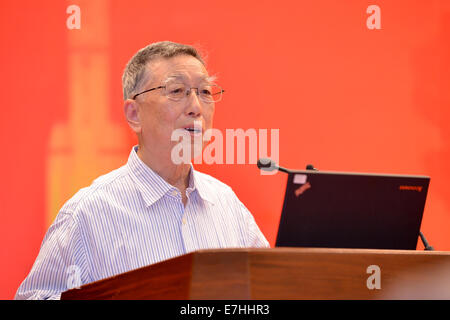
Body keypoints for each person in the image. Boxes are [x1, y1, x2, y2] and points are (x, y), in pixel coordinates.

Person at [15, 41, 269, 300]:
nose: (196, 107)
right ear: (134, 114)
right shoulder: (89, 212)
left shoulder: (227, 204)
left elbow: (270, 287)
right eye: (177, 90)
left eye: (204, 91)